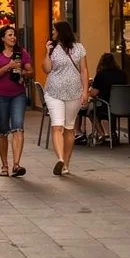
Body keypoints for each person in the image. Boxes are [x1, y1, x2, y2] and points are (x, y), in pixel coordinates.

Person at [41, 21, 89, 175]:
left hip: (74, 93)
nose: (52, 33)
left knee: (69, 128)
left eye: (54, 30)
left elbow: (84, 70)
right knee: (57, 125)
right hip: (54, 92)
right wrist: (47, 52)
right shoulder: (52, 48)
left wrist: (85, 91)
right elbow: (46, 69)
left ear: (62, 31)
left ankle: (66, 163)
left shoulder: (79, 48)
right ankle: (60, 159)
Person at [0, 25, 33, 178]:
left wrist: (24, 72)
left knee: (18, 127)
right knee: (2, 130)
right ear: (2, 38)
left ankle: (16, 165)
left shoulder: (22, 53)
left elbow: (31, 72)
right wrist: (8, 66)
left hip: (18, 95)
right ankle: (4, 165)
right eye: (10, 35)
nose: (13, 37)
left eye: (14, 35)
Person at [88, 52, 126, 142]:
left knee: (91, 112)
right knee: (106, 110)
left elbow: (93, 93)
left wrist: (89, 87)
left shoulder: (101, 75)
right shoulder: (122, 74)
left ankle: (103, 134)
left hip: (106, 106)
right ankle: (111, 132)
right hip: (124, 106)